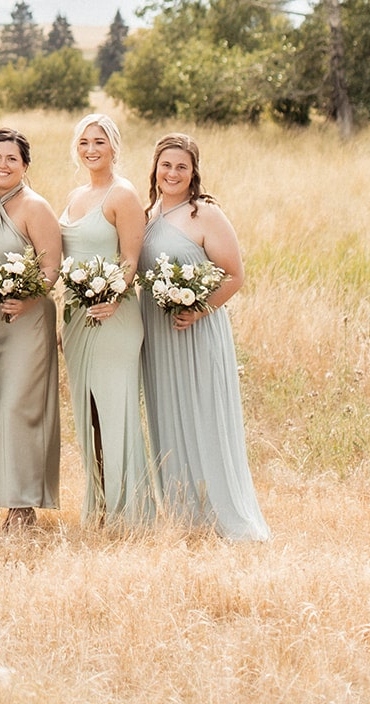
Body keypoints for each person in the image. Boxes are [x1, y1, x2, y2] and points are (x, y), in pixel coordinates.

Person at [140, 133, 269, 540]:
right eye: (166, 165)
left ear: (193, 172)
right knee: (169, 416)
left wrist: (198, 309)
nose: (172, 173)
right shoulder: (147, 213)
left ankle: (223, 513)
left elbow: (235, 275)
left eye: (181, 166)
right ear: (155, 169)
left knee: (204, 416)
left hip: (197, 332)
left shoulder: (205, 215)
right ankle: (186, 514)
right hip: (159, 335)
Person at [59, 112, 155, 526]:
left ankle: (127, 511)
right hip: (78, 317)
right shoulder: (76, 195)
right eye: (84, 142)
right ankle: (99, 504)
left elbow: (130, 258)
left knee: (115, 412)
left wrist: (113, 297)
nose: (91, 149)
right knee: (90, 414)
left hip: (114, 316)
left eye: (98, 141)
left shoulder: (123, 195)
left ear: (114, 146)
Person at [0, 128, 62, 529]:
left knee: (19, 410)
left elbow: (51, 269)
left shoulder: (35, 207)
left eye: (11, 159)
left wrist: (28, 299)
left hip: (27, 324)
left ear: (25, 165)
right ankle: (13, 500)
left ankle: (23, 509)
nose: (2, 165)